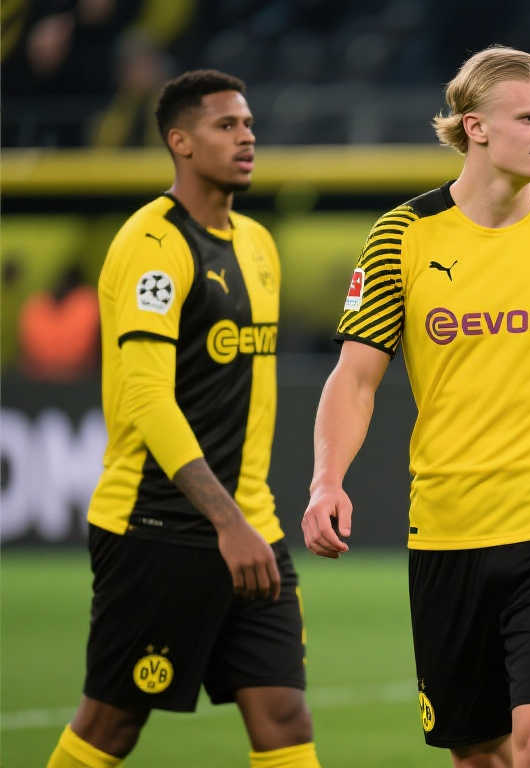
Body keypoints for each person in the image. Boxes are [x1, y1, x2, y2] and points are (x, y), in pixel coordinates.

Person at [302, 45, 530, 768]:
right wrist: (326, 480)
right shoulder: (402, 235)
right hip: (448, 530)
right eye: (529, 118)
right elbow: (355, 377)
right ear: (475, 127)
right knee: (477, 755)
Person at [45, 70, 321, 768]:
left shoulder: (258, 244)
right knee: (112, 724)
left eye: (249, 124)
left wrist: (244, 520)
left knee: (284, 715)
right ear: (181, 142)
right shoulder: (153, 246)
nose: (247, 137)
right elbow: (148, 399)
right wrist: (226, 523)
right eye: (226, 126)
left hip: (251, 523)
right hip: (157, 524)